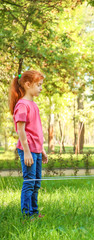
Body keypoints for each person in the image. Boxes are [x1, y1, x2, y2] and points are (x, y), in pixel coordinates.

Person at [9, 70, 48, 218]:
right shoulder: (22, 105)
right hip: (28, 150)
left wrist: (41, 150)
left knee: (36, 183)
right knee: (29, 182)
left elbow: (36, 130)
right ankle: (26, 216)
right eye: (38, 85)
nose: (41, 88)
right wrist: (26, 152)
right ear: (27, 84)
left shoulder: (34, 105)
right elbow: (21, 131)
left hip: (36, 150)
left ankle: (34, 212)